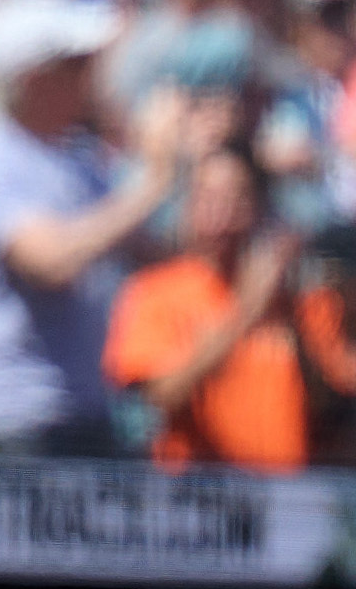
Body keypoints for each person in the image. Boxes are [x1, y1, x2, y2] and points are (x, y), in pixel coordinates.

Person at [0, 0, 185, 452]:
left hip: (83, 411)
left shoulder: (80, 159)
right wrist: (151, 185)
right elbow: (50, 261)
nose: (92, 73)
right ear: (35, 79)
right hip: (12, 426)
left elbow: (153, 255)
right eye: (76, 63)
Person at [103, 151, 320, 470]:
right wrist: (245, 312)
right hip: (201, 494)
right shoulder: (153, 291)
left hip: (287, 496)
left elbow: (331, 397)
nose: (221, 213)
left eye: (236, 198)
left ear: (258, 207)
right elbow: (162, 396)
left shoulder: (290, 294)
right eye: (207, 197)